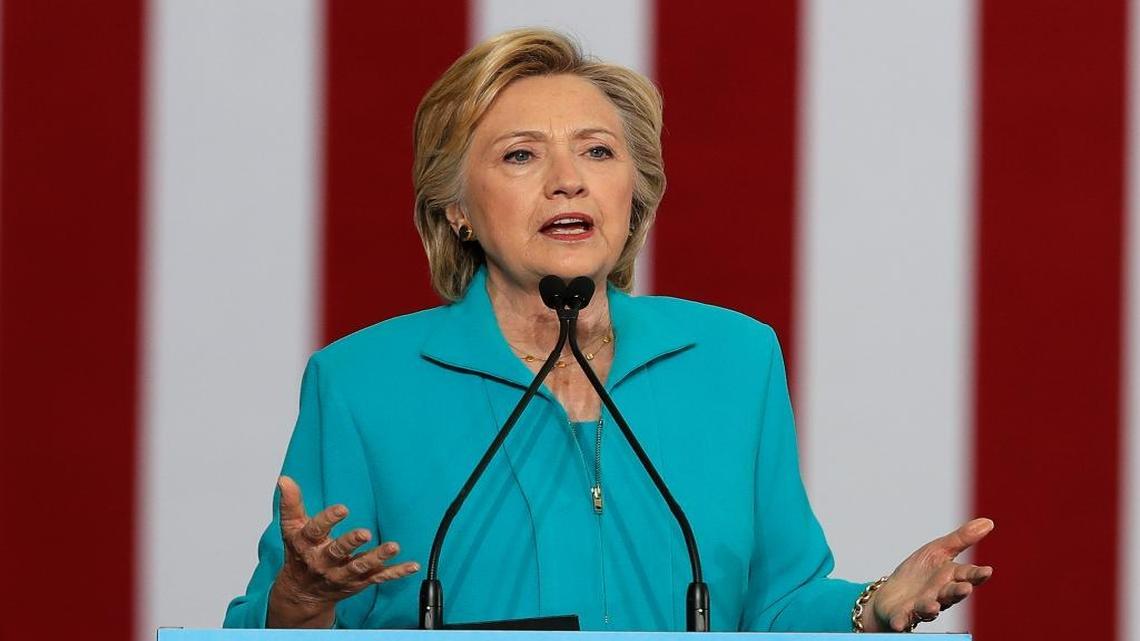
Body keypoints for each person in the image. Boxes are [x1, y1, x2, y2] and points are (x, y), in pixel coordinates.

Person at [224, 27, 994, 633]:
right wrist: (300, 598)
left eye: (598, 150)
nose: (569, 177)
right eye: (522, 154)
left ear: (635, 192)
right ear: (456, 208)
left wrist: (875, 607)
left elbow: (775, 605)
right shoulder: (364, 383)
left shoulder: (733, 361)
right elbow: (275, 624)